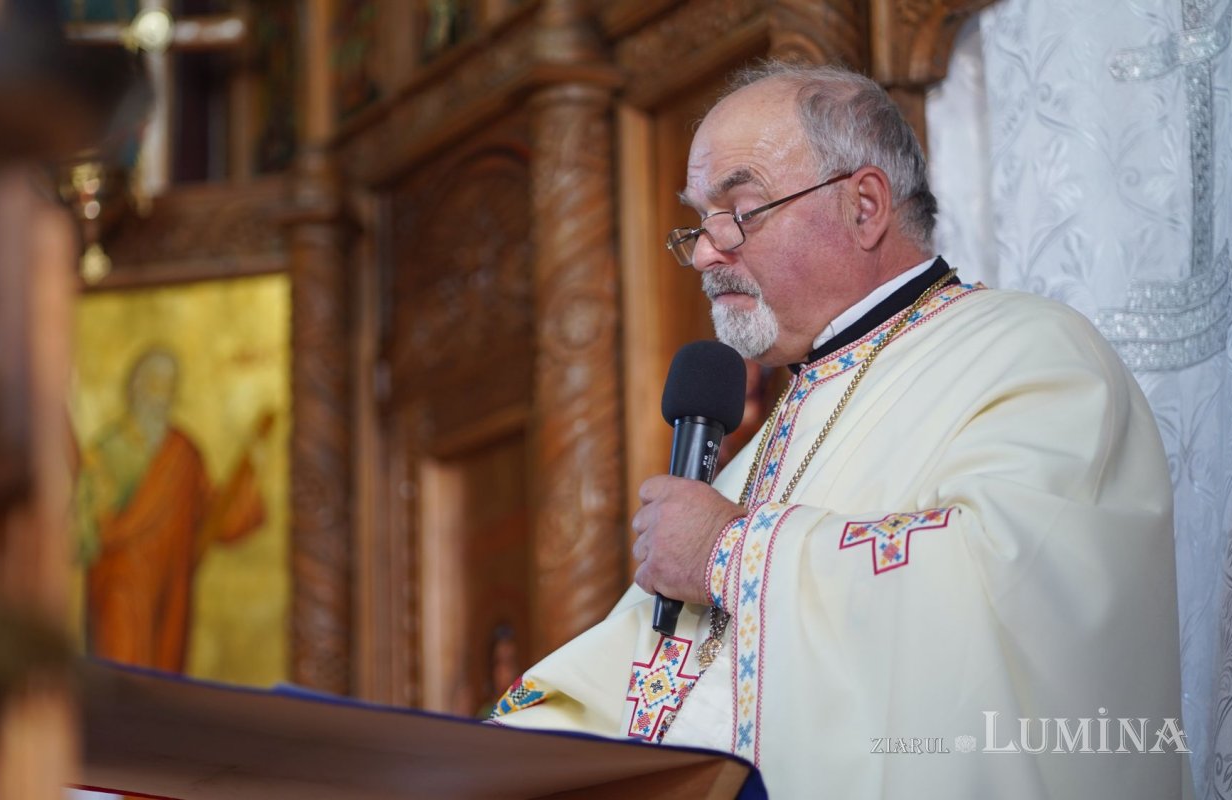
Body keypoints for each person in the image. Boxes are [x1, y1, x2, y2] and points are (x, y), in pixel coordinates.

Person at [489, 62, 1184, 798]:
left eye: (740, 211)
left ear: (864, 206)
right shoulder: (768, 437)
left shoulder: (1033, 355)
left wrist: (729, 552)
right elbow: (639, 666)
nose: (703, 250)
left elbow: (1005, 594)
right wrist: (488, 758)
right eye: (697, 221)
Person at [76, 347, 271, 672]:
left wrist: (252, 477)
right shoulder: (107, 451)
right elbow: (89, 525)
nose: (161, 394)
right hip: (120, 590)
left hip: (170, 591)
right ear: (135, 386)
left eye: (169, 385)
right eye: (154, 383)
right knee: (122, 681)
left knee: (161, 686)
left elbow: (216, 517)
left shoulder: (184, 454)